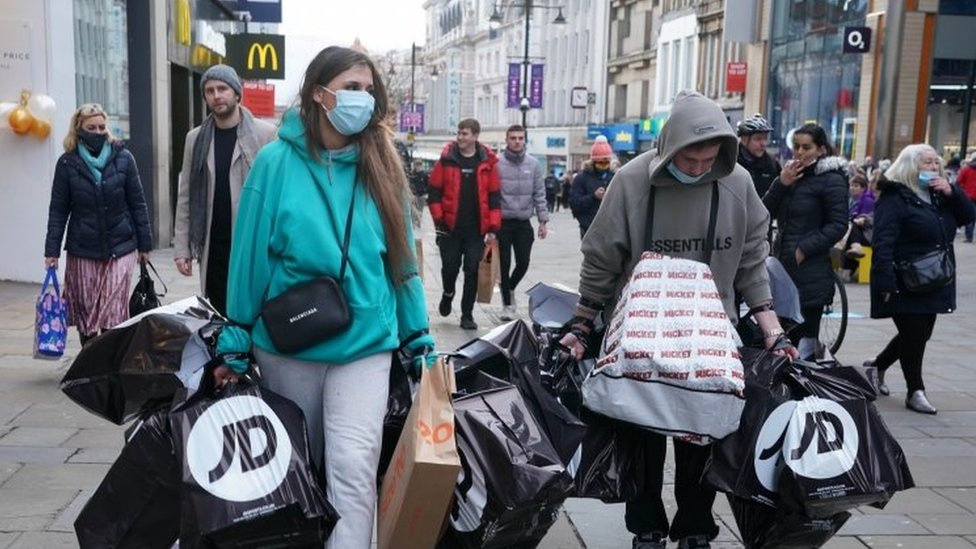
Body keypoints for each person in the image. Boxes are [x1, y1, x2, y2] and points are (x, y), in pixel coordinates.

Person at [213, 46, 437, 549]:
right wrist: (235, 336)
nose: (363, 98)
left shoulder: (382, 164)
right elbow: (249, 258)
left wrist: (418, 334)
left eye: (368, 90)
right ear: (319, 94)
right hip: (289, 342)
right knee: (294, 472)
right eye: (351, 88)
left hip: (366, 344)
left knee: (355, 470)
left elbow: (402, 265)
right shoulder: (274, 163)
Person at [559, 91, 797, 549]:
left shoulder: (738, 184)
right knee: (642, 436)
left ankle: (695, 527)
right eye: (690, 156)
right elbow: (601, 257)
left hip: (710, 333)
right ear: (668, 146)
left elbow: (752, 261)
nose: (698, 166)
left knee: (703, 437)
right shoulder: (631, 182)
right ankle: (646, 525)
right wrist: (582, 322)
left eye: (709, 158)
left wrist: (773, 331)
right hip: (640, 334)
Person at [865, 144, 975, 414]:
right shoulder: (895, 197)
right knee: (914, 334)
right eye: (926, 163)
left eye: (935, 163)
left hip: (934, 278)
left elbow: (968, 216)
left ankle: (876, 367)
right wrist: (885, 281)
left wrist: (953, 193)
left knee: (918, 334)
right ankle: (916, 390)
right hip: (905, 279)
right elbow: (883, 242)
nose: (933, 168)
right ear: (910, 166)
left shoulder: (939, 195)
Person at [44, 103, 152, 346]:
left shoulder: (124, 158)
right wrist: (51, 250)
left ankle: (107, 362)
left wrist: (145, 245)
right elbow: (58, 209)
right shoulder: (67, 163)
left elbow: (138, 203)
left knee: (113, 310)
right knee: (85, 310)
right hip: (83, 247)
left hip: (121, 246)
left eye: (102, 127)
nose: (98, 131)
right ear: (78, 129)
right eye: (91, 127)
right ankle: (89, 357)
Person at [173, 64, 277, 315]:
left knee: (251, 307)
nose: (216, 95)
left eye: (222, 88)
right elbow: (185, 195)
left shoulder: (265, 134)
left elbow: (275, 191)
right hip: (213, 241)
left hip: (250, 239)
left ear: (236, 93)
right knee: (217, 308)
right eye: (210, 91)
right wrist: (182, 249)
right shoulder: (195, 138)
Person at [763, 123, 849, 360]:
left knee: (804, 339)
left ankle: (806, 388)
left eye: (806, 147)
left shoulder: (831, 180)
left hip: (810, 269)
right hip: (782, 265)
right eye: (796, 147)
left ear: (821, 149)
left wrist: (804, 249)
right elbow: (763, 212)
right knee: (782, 337)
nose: (799, 152)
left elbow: (838, 224)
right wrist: (781, 183)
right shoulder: (791, 175)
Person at [428, 118, 502, 330]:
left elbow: (495, 197)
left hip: (475, 231)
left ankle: (467, 314)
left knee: (472, 271)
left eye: (465, 133)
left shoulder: (487, 162)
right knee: (450, 268)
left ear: (476, 136)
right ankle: (447, 293)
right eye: (459, 133)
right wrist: (439, 220)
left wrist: (493, 228)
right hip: (449, 229)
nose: (460, 137)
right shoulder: (446, 159)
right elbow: (434, 193)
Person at [496, 124, 549, 321]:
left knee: (523, 262)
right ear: (506, 140)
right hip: (502, 223)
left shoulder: (533, 164)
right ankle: (507, 305)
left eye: (520, 138)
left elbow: (539, 193)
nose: (517, 141)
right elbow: (492, 194)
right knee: (504, 264)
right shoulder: (497, 163)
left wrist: (543, 221)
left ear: (524, 140)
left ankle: (509, 288)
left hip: (523, 222)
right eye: (513, 138)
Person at [570, 135, 615, 238]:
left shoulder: (614, 177)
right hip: (588, 227)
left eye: (606, 164)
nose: (603, 167)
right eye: (600, 164)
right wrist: (593, 197)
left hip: (611, 228)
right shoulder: (581, 178)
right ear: (593, 162)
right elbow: (574, 204)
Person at [736, 113, 781, 198]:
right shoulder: (732, 162)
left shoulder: (772, 164)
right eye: (758, 139)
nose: (763, 143)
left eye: (765, 138)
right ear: (744, 140)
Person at [841, 173, 876, 277]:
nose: (852, 188)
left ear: (863, 188)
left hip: (867, 234)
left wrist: (859, 220)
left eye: (856, 186)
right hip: (854, 233)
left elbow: (865, 220)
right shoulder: (850, 201)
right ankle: (849, 267)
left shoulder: (868, 201)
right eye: (851, 185)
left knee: (853, 227)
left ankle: (848, 267)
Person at [956, 152, 976, 242]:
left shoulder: (967, 169)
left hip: (969, 194)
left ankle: (969, 236)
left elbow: (958, 181)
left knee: (970, 215)